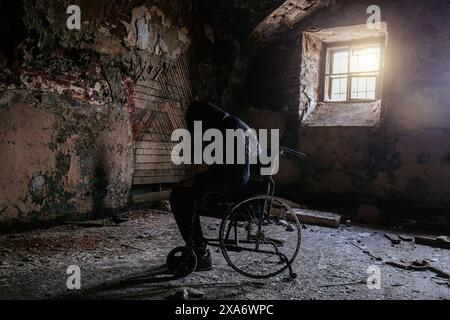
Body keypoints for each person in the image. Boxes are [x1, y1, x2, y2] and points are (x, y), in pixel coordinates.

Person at [169, 101, 260, 271]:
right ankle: (198, 249)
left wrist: (200, 181)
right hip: (244, 184)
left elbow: (238, 176)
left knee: (180, 196)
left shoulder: (231, 129)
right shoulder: (229, 124)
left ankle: (200, 252)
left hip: (239, 189)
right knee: (183, 191)